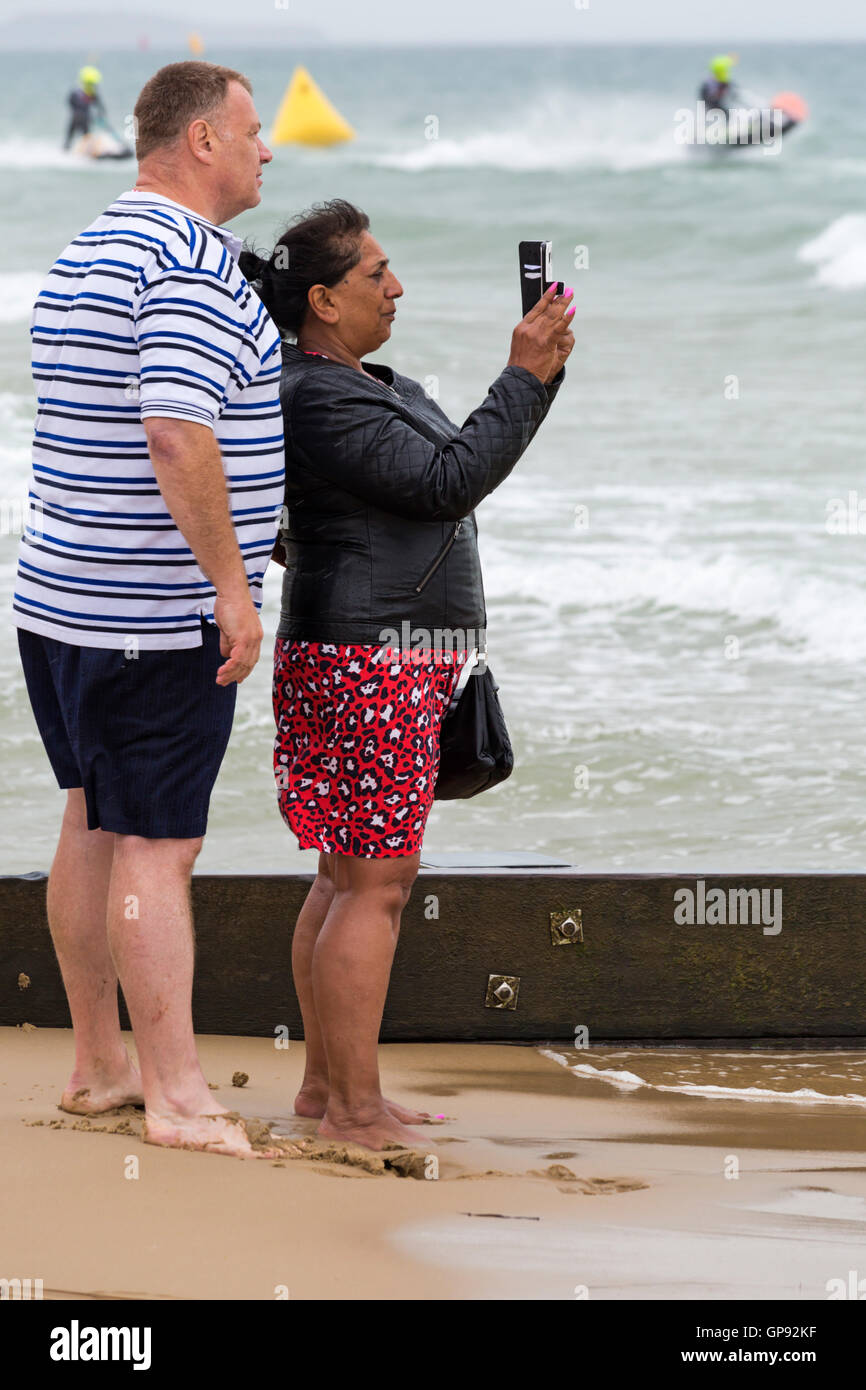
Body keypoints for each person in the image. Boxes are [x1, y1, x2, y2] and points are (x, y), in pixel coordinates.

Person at [240, 201, 574, 1151]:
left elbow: (464, 461)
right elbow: (443, 486)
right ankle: (353, 1110)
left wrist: (536, 379)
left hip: (376, 651)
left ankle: (327, 1092)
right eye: (376, 274)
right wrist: (520, 374)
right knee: (374, 884)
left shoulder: (368, 382)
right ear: (323, 300)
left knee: (345, 877)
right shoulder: (317, 394)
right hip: (366, 654)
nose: (397, 288)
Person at [15, 61, 286, 1158]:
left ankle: (97, 1066)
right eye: (254, 131)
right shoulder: (187, 264)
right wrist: (231, 590)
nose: (269, 149)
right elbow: (175, 428)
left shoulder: (87, 249)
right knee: (156, 849)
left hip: (58, 599)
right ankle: (176, 1093)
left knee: (92, 817)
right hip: (151, 611)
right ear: (202, 140)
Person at [63, 65, 108, 149]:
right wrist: (101, 114)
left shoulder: (78, 92)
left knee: (72, 136)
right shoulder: (89, 93)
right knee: (84, 136)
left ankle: (67, 150)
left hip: (76, 117)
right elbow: (100, 106)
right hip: (83, 118)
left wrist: (101, 113)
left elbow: (70, 103)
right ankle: (81, 150)